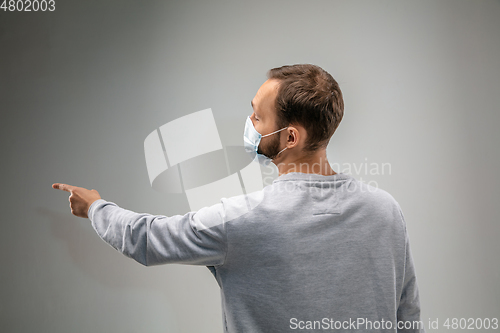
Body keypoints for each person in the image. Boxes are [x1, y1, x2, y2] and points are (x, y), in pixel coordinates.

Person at [53, 64, 424, 332]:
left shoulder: (242, 219)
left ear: (290, 138)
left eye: (258, 117)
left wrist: (96, 208)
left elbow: (146, 238)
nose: (249, 121)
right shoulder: (386, 210)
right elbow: (408, 315)